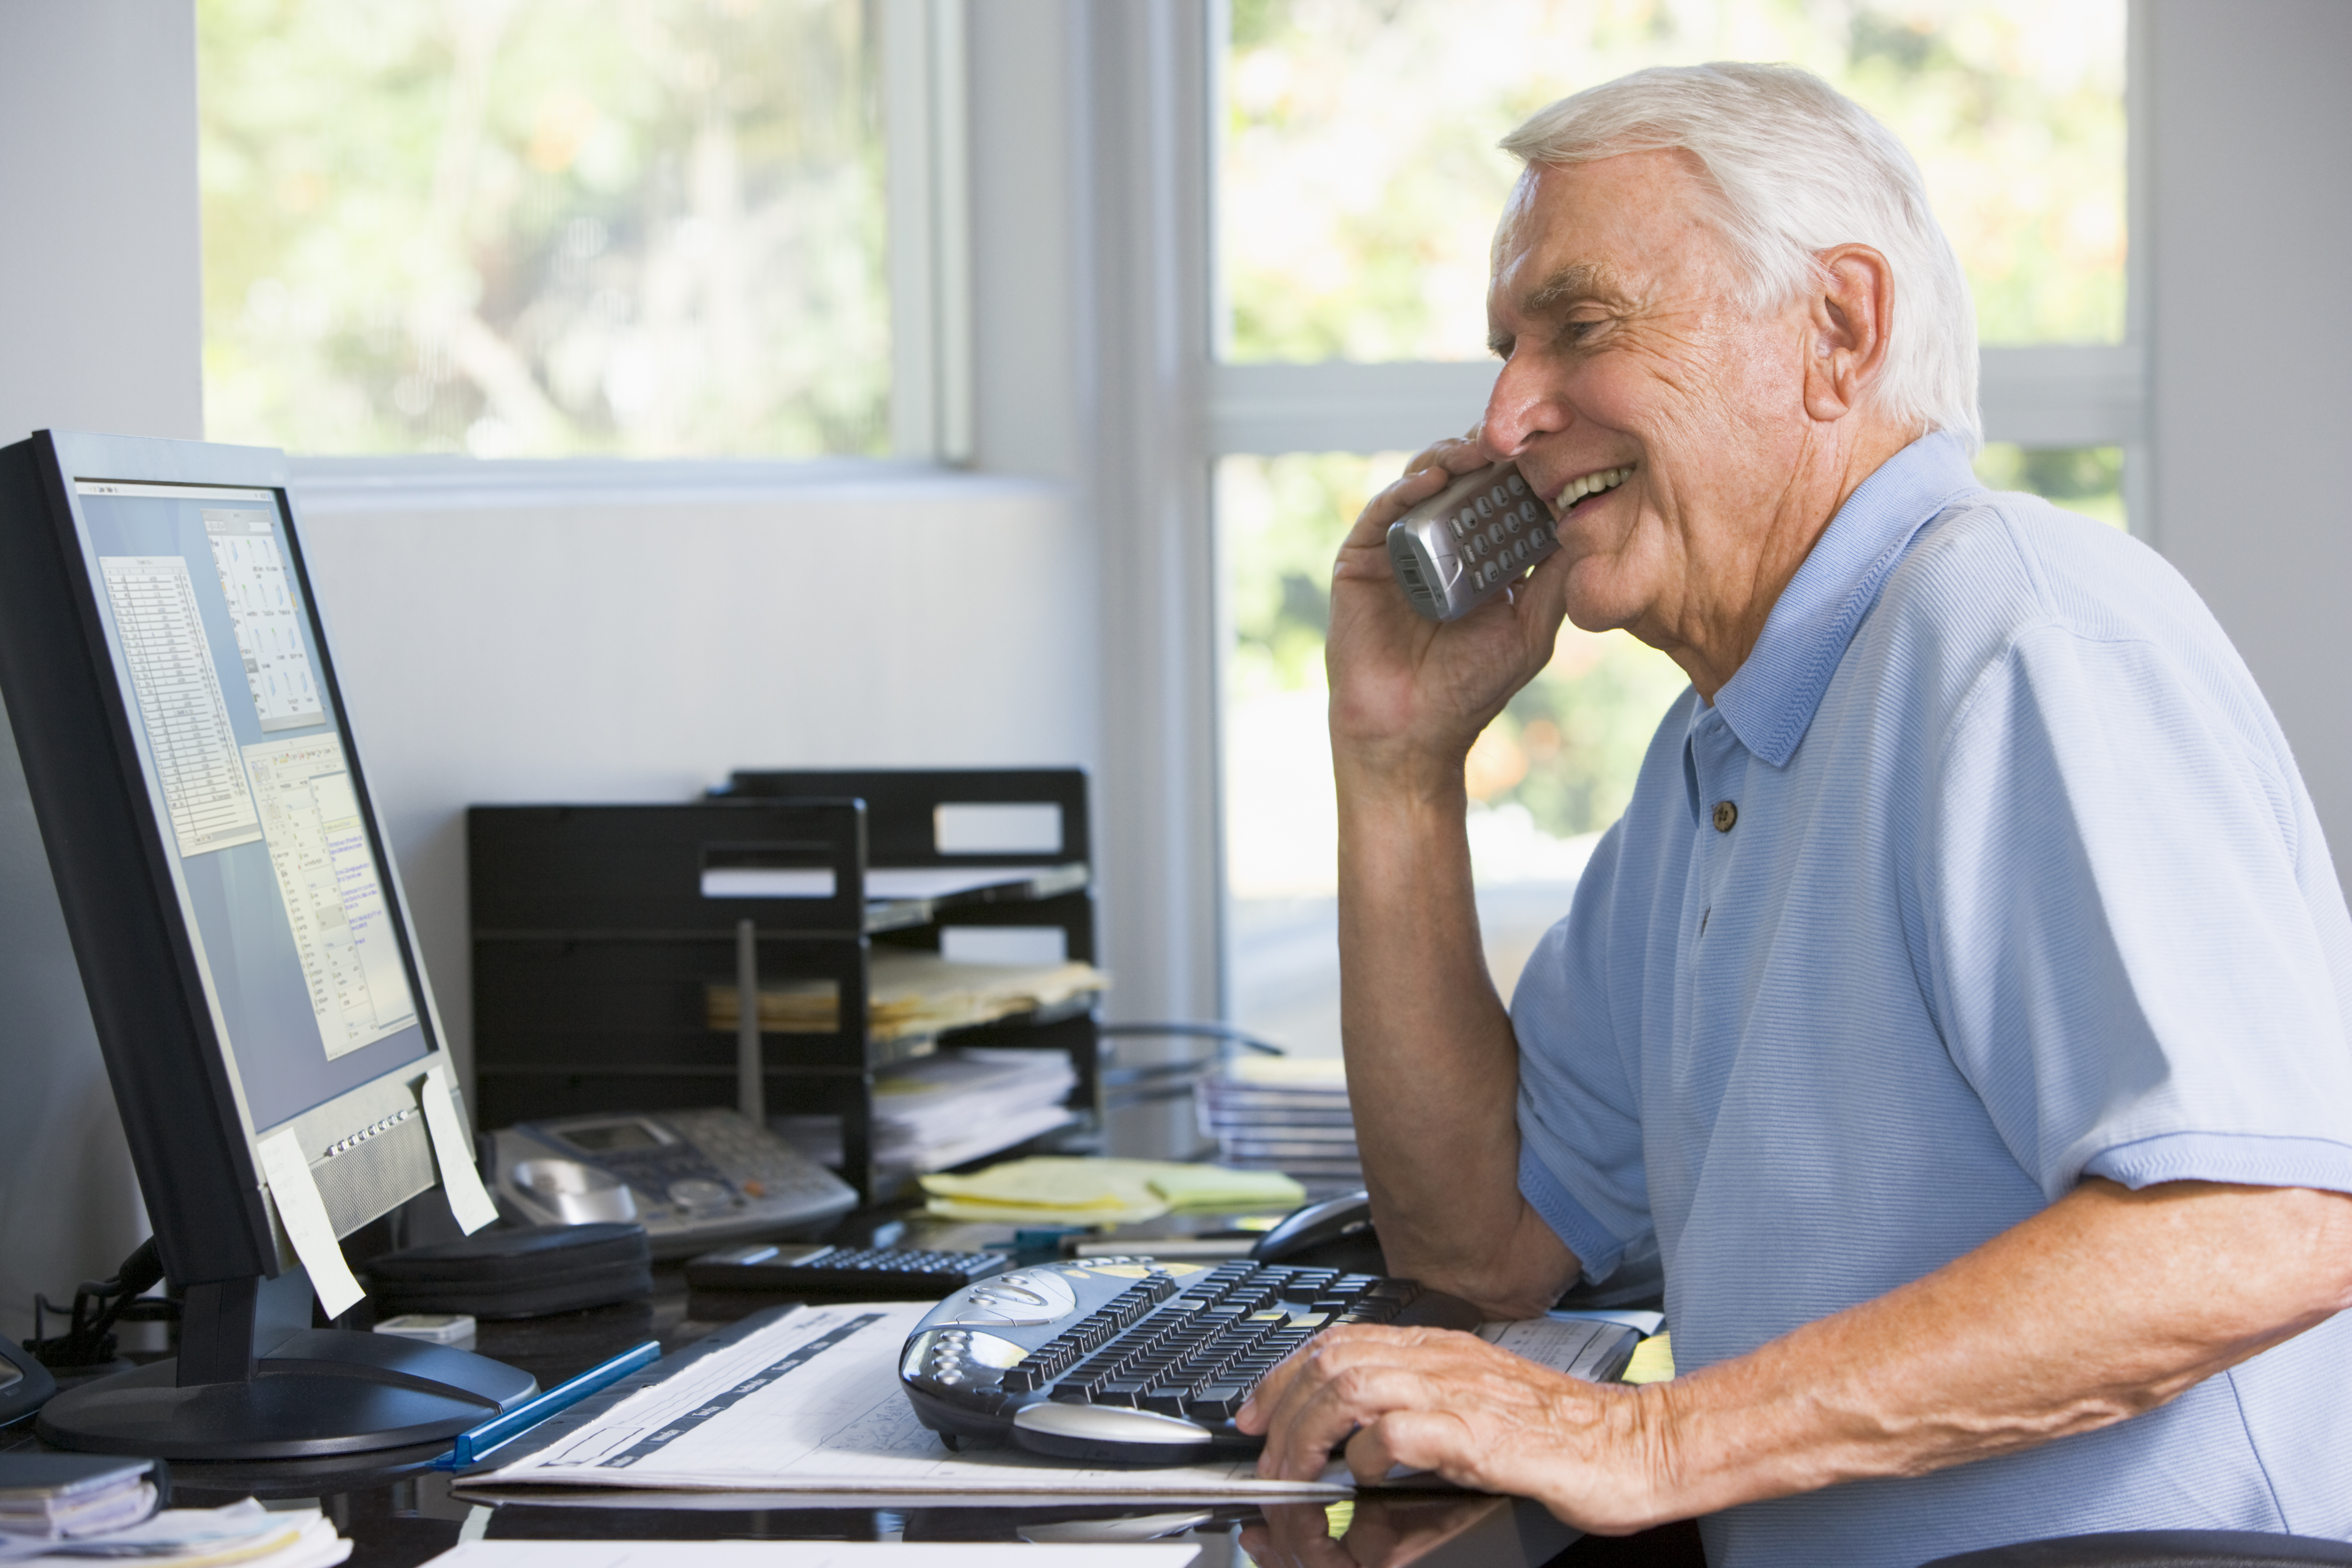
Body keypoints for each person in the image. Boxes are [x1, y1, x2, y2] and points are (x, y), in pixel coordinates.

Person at [1232, 61, 2352, 1567]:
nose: (1506, 419)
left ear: (1839, 330)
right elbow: (1479, 1244)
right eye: (1504, 351)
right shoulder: (1728, 744)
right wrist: (1396, 768)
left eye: (1581, 327)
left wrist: (1649, 1435)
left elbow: (2274, 1220)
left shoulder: (2019, 631)